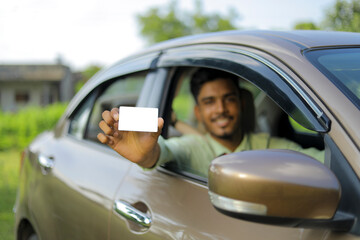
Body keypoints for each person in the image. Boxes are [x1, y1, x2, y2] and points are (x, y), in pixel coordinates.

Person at [97, 68, 324, 177]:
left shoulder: (268, 146)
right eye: (209, 102)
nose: (221, 109)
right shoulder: (191, 147)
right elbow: (165, 150)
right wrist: (146, 156)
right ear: (198, 111)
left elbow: (322, 161)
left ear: (242, 104)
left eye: (229, 99)